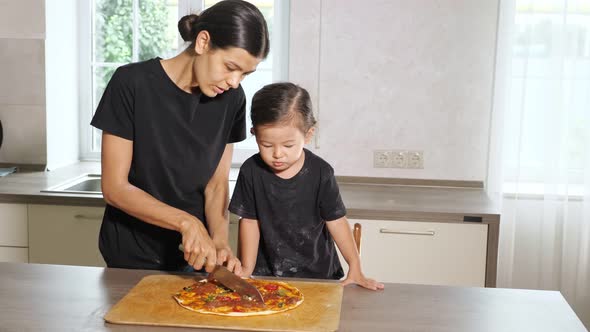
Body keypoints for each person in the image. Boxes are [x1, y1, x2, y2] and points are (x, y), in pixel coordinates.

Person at [90, 0, 269, 273]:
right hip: (129, 255)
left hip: (194, 257)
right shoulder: (130, 84)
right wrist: (187, 222)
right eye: (230, 67)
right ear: (203, 42)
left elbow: (217, 184)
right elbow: (115, 188)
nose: (235, 81)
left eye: (244, 74)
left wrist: (220, 241)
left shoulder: (232, 100)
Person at [229, 83, 384, 290]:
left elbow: (336, 221)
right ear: (254, 134)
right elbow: (249, 221)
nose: (277, 154)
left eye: (288, 145)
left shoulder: (321, 173)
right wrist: (247, 268)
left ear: (308, 135)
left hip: (318, 275)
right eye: (266, 145)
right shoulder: (251, 170)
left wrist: (355, 265)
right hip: (267, 275)